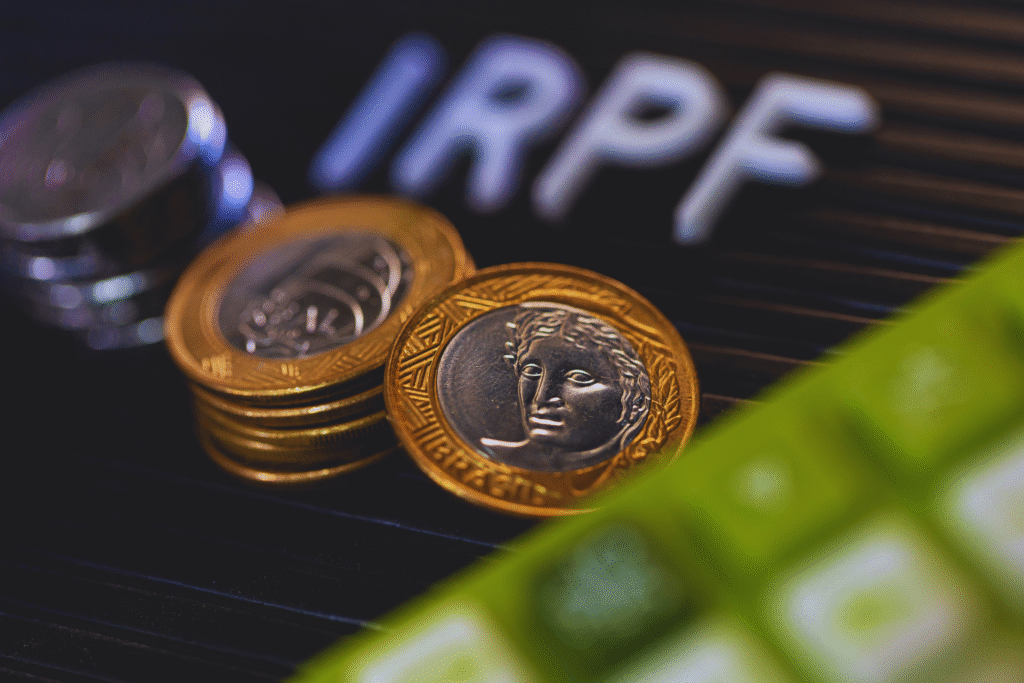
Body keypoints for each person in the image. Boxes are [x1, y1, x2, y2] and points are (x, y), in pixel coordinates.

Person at [479, 304, 651, 471]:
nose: (541, 397)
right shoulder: (485, 457)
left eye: (579, 377)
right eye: (532, 371)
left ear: (635, 396)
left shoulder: (642, 476)